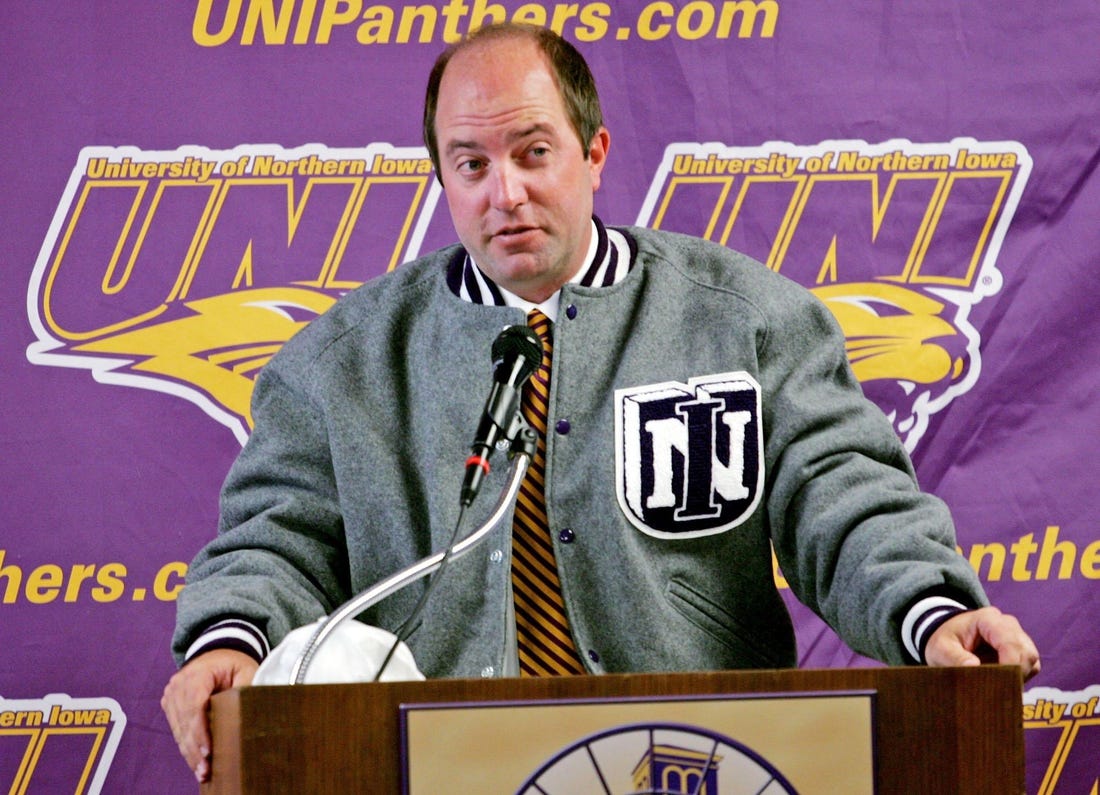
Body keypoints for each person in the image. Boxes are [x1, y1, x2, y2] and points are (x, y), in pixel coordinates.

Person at [161, 22, 1040, 782]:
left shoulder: (742, 321)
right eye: (471, 164)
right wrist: (227, 642)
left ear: (594, 154)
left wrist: (932, 610)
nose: (504, 192)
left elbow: (843, 497)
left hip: (701, 761)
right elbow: (274, 541)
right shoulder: (337, 365)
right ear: (442, 178)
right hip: (443, 768)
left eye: (532, 152)